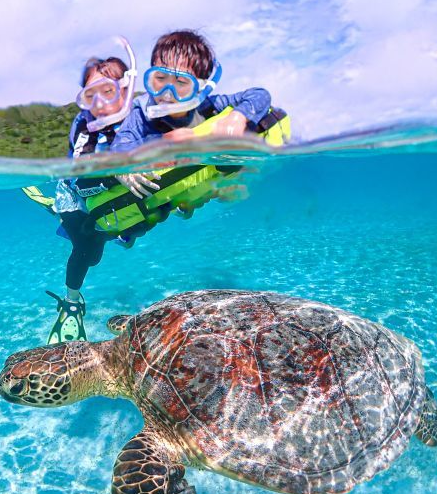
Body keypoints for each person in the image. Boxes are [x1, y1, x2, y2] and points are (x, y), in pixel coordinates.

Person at [111, 29, 284, 198]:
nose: (167, 92)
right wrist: (160, 141)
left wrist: (238, 117)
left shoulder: (208, 107)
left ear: (200, 88)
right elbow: (119, 147)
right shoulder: (141, 115)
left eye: (181, 82)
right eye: (160, 78)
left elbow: (260, 94)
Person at [44, 38, 137, 345]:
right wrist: (116, 175)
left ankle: (78, 224)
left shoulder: (141, 118)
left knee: (122, 235)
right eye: (90, 95)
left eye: (107, 91)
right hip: (74, 199)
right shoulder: (85, 126)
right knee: (87, 253)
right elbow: (80, 179)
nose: (98, 103)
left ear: (126, 88)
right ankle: (71, 303)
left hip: (110, 198)